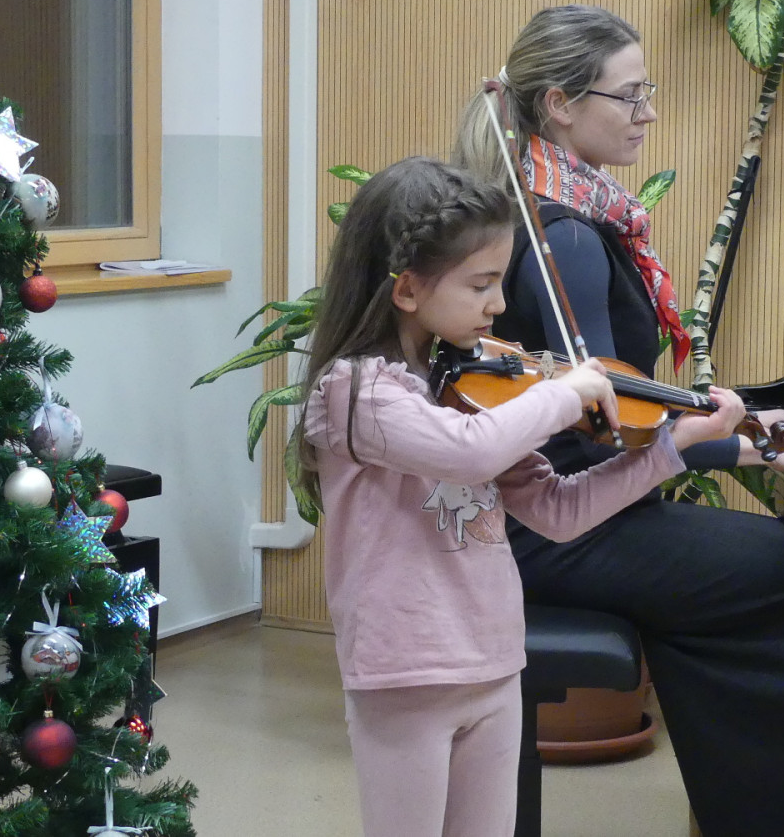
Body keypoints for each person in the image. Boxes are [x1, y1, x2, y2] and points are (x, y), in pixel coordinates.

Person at [452, 5, 784, 837]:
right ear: (560, 104)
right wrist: (751, 448)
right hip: (558, 524)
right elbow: (604, 434)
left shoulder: (545, 211)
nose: (650, 113)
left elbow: (626, 409)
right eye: (631, 95)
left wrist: (755, 430)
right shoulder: (567, 239)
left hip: (566, 506)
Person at [295, 155, 749, 837]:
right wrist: (564, 394)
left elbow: (558, 511)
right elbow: (468, 453)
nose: (499, 306)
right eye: (480, 285)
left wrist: (671, 445)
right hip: (407, 672)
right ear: (408, 289)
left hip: (493, 661)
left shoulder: (464, 388)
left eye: (499, 282)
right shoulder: (357, 393)